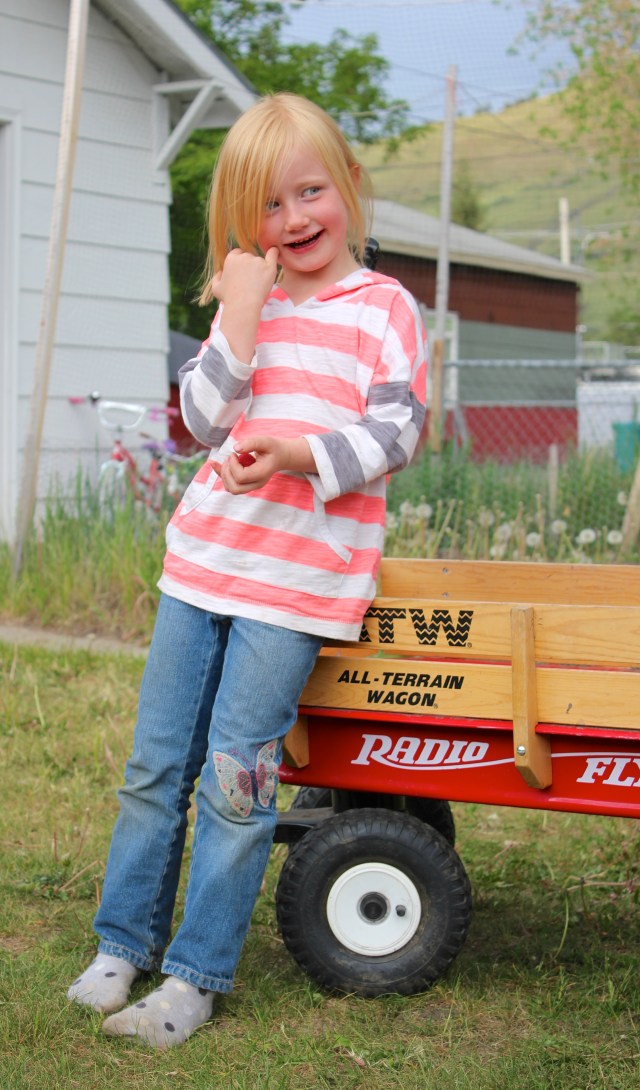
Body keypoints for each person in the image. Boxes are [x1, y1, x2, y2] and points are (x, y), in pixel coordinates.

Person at [67, 92, 427, 1049]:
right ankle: (122, 943)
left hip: (294, 585)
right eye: (269, 207)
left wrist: (301, 455)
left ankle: (193, 977)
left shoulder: (383, 308)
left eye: (311, 192)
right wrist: (239, 310)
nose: (295, 220)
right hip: (204, 566)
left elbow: (397, 430)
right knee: (155, 769)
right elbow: (202, 419)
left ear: (348, 185)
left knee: (236, 780)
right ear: (240, 222)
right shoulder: (249, 302)